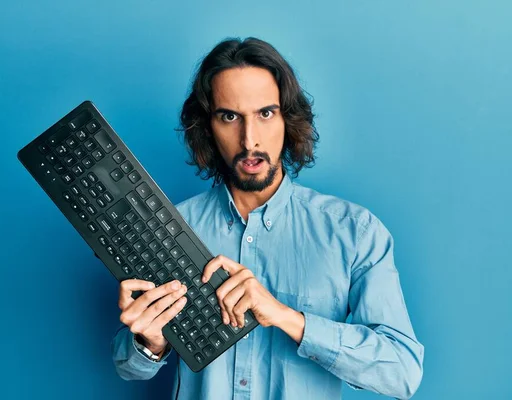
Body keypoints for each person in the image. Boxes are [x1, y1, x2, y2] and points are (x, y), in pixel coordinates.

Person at [111, 37, 424, 400]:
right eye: (229, 116)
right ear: (207, 126)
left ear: (287, 118)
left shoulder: (354, 232)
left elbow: (402, 372)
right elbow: (128, 367)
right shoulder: (169, 227)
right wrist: (149, 341)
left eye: (265, 113)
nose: (249, 139)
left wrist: (284, 316)